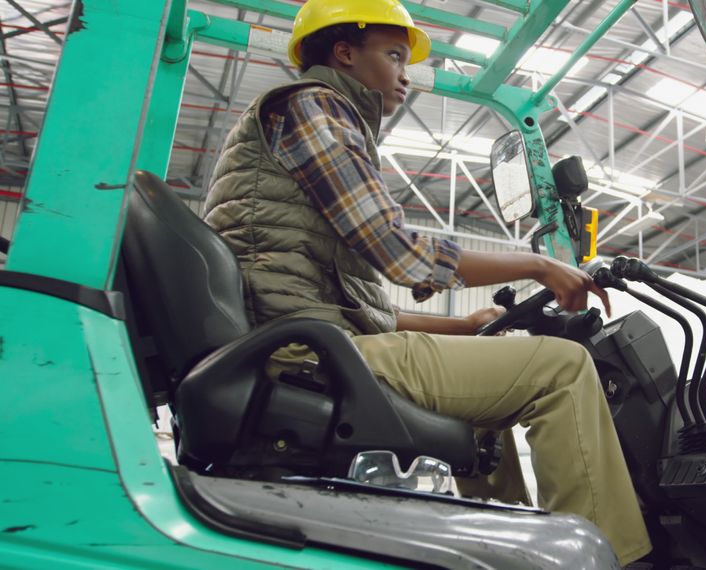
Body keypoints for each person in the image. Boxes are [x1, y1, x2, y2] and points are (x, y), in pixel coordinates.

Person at [202, 0, 651, 565]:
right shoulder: (315, 108)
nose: (405, 75)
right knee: (563, 369)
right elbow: (399, 251)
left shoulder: (310, 125)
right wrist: (540, 264)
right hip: (303, 350)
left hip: (305, 341)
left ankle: (501, 553)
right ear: (345, 53)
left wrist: (464, 324)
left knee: (491, 394)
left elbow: (357, 311)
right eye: (393, 55)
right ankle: (615, 557)